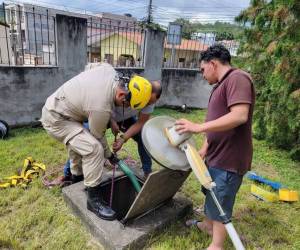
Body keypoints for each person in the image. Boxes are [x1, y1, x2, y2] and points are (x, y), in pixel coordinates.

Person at [40, 63, 152, 221]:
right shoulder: (101, 107)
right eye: (126, 105)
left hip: (64, 109)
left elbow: (89, 66)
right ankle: (94, 200)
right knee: (93, 149)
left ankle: (77, 178)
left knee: (79, 143)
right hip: (56, 119)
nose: (123, 108)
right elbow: (98, 136)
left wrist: (110, 118)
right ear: (121, 94)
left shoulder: (109, 70)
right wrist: (110, 156)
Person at [175, 44, 255, 250]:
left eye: (203, 70)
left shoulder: (238, 79)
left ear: (213, 63)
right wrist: (205, 148)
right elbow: (219, 120)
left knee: (221, 200)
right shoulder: (221, 85)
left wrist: (198, 127)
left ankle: (217, 245)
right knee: (211, 193)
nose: (202, 75)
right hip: (216, 154)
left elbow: (239, 116)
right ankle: (208, 225)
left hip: (229, 158)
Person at [62, 80, 162, 181]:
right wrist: (111, 120)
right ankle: (67, 174)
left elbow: (141, 123)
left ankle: (147, 172)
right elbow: (102, 104)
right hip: (104, 114)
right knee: (83, 137)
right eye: (148, 101)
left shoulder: (150, 100)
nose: (147, 105)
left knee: (143, 138)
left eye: (151, 103)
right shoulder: (126, 89)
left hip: (126, 119)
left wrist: (123, 138)